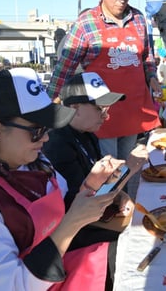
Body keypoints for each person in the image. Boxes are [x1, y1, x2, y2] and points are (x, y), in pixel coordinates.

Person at [0, 67, 128, 290]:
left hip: (54, 270)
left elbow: (66, 201)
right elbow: (12, 285)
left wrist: (91, 186)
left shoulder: (35, 163)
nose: (45, 137)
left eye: (47, 127)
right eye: (36, 130)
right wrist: (72, 222)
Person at [42, 71, 148, 290]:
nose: (106, 116)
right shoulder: (56, 143)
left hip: (89, 222)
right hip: (72, 236)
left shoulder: (85, 133)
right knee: (141, 242)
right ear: (74, 108)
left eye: (107, 109)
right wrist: (129, 169)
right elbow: (83, 203)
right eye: (100, 108)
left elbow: (98, 185)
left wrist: (120, 195)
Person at [47, 0, 161, 161]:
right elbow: (65, 67)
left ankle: (126, 193)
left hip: (133, 109)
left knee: (129, 169)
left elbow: (147, 55)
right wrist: (47, 103)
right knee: (108, 172)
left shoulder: (138, 19)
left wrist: (151, 75)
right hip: (101, 115)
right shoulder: (86, 23)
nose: (122, 0)